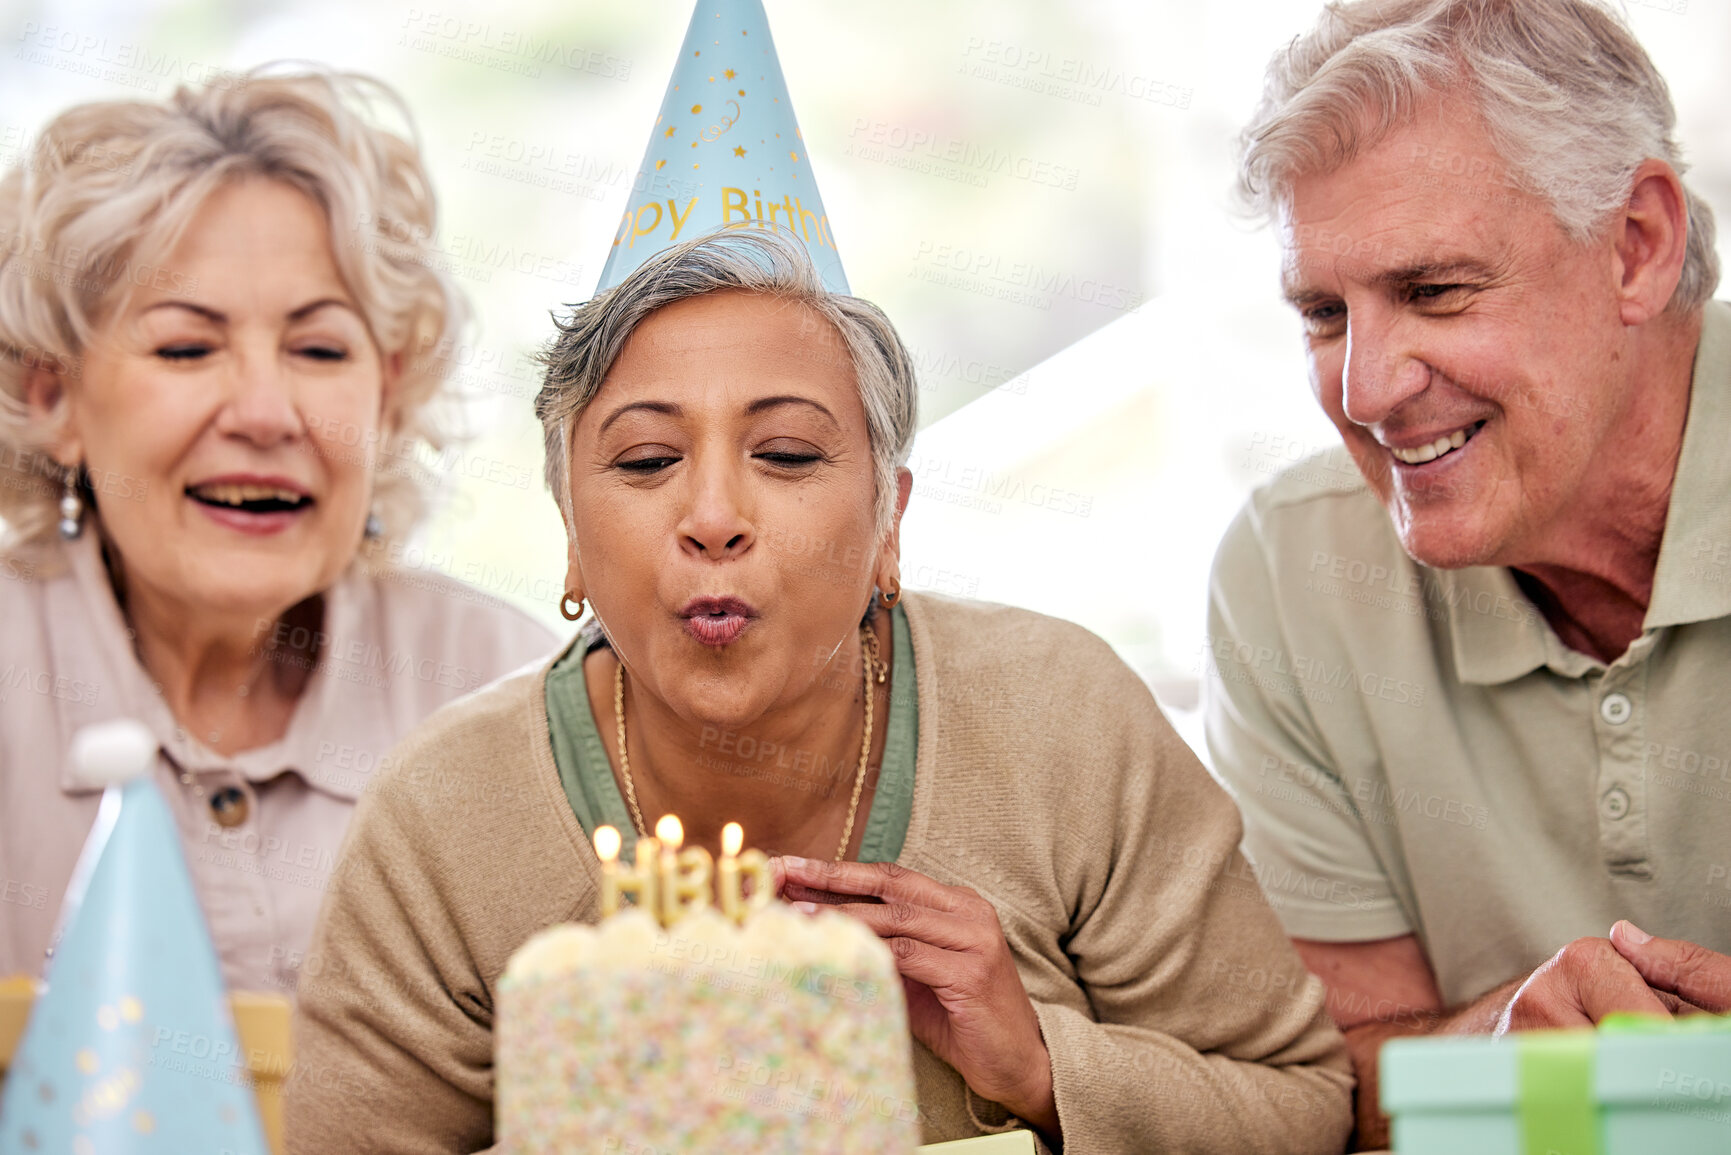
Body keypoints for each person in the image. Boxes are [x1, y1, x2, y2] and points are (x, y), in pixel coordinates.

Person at [286, 231, 1354, 1154]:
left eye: (787, 454)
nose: (713, 514)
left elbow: (1302, 1110)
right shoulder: (443, 816)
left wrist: (1039, 1067)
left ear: (889, 523)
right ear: (569, 530)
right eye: (648, 459)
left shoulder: (1063, 721)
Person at [1207, 0, 1731, 1146]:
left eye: (1435, 291)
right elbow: (1335, 1085)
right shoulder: (1290, 572)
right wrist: (1498, 1061)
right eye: (1324, 314)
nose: (1368, 391)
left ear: (1637, 244)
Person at [0, 68, 556, 995]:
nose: (266, 413)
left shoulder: (512, 694)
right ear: (52, 397)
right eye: (186, 346)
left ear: (387, 392)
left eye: (318, 349)